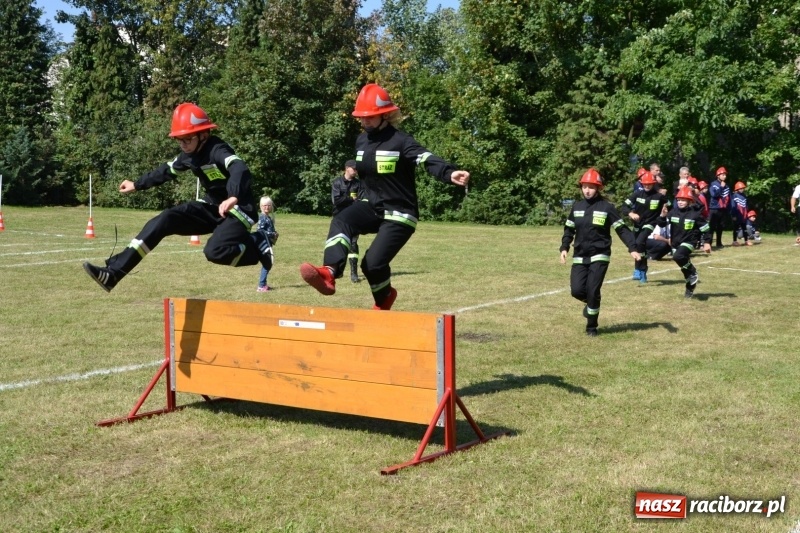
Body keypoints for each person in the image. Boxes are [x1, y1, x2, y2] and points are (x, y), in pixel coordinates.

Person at [299, 83, 470, 310]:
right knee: (342, 219)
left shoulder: (401, 141)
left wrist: (449, 173)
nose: (364, 121)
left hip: (400, 212)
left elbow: (425, 158)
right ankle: (329, 272)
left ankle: (384, 299)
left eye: (370, 116)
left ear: (386, 115)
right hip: (372, 205)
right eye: (361, 117)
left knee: (372, 264)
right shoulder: (361, 141)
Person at [83, 103, 271, 292]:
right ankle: (113, 273)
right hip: (212, 207)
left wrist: (233, 196)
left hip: (238, 210)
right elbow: (166, 170)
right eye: (179, 140)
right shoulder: (187, 156)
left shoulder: (217, 149)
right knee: (166, 218)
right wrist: (136, 184)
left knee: (214, 251)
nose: (183, 144)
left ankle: (257, 243)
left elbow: (239, 167)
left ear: (203, 135)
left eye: (187, 139)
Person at [560, 168, 640, 336]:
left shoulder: (607, 207)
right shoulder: (577, 206)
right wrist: (565, 247)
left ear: (598, 188)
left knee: (593, 290)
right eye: (584, 187)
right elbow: (569, 229)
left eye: (591, 187)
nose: (587, 190)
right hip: (580, 255)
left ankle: (591, 327)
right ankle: (591, 304)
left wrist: (632, 247)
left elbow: (622, 229)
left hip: (600, 255)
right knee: (576, 290)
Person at [656, 186, 712, 298]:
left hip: (689, 242)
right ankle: (690, 288)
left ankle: (693, 271)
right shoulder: (673, 212)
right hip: (676, 243)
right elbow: (661, 224)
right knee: (684, 269)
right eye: (679, 200)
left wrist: (707, 242)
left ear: (689, 201)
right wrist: (662, 215)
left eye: (683, 200)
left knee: (678, 256)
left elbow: (706, 229)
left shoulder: (695, 214)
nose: (680, 202)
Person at [622, 170, 669, 283]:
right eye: (645, 184)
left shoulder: (659, 196)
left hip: (650, 223)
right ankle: (642, 270)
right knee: (638, 246)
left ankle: (639, 269)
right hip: (638, 224)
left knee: (639, 242)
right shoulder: (637, 194)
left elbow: (670, 206)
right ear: (642, 184)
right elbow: (624, 206)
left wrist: (663, 215)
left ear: (653, 184)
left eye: (649, 184)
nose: (647, 186)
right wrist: (631, 213)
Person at [331, 160, 362, 282]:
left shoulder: (359, 184)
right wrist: (351, 199)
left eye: (356, 169)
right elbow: (336, 201)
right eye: (353, 169)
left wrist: (354, 200)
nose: (355, 171)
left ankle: (354, 274)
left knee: (353, 245)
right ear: (346, 168)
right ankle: (336, 271)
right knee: (338, 244)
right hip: (339, 218)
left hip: (354, 218)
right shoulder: (337, 183)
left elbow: (361, 200)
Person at [256, 196, 278, 291]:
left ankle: (263, 284)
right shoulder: (262, 218)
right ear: (261, 206)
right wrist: (272, 233)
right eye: (264, 205)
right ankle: (261, 286)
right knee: (267, 263)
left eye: (269, 205)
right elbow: (260, 231)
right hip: (264, 244)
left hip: (269, 243)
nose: (267, 207)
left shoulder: (268, 217)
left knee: (268, 263)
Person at [709, 166, 731, 248]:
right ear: (718, 175)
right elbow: (713, 195)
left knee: (721, 226)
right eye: (723, 174)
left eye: (725, 175)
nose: (724, 176)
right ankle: (709, 243)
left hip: (723, 209)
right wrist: (721, 187)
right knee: (712, 226)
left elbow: (729, 198)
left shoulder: (727, 186)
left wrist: (729, 209)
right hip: (714, 208)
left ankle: (719, 242)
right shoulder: (713, 184)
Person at [730, 181, 751, 246]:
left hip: (743, 215)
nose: (742, 189)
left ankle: (746, 240)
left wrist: (746, 213)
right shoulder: (734, 196)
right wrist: (733, 215)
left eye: (743, 188)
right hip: (737, 215)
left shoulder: (744, 196)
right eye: (740, 188)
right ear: (737, 189)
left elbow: (746, 205)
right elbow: (733, 206)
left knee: (744, 228)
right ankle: (734, 241)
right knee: (735, 228)